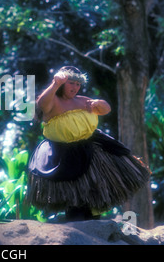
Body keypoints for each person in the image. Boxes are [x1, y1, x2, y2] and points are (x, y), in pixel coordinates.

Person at [27, 66, 150, 221]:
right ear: (62, 83)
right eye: (71, 83)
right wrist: (55, 84)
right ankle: (76, 224)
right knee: (74, 196)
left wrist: (99, 103)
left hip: (90, 148)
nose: (75, 87)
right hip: (62, 153)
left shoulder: (83, 101)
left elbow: (106, 109)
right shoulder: (53, 102)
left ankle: (94, 224)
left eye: (78, 84)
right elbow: (42, 105)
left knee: (94, 191)